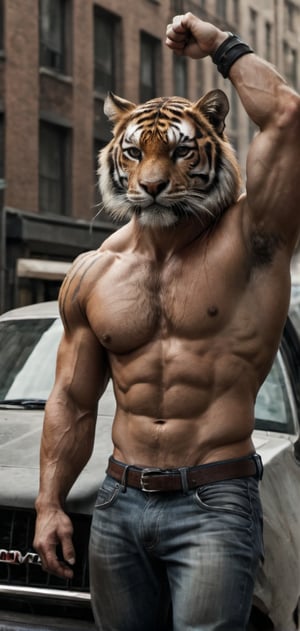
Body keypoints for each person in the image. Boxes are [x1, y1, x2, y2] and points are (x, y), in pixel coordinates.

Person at [33, 12, 300, 631]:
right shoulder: (95, 271)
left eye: (179, 155)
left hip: (214, 498)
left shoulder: (251, 238)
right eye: (135, 157)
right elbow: (71, 399)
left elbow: (286, 117)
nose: (153, 179)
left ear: (209, 151)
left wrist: (220, 46)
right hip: (119, 500)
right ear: (118, 160)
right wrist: (49, 503)